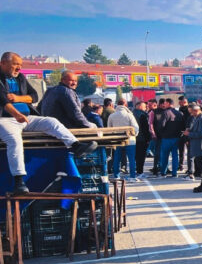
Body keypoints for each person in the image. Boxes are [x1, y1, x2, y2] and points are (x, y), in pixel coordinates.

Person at [0, 52, 97, 194]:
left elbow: (34, 96)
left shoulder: (20, 78)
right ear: (3, 63)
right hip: (5, 119)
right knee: (14, 141)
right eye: (15, 64)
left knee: (51, 122)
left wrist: (17, 98)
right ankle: (19, 181)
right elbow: (3, 101)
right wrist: (16, 114)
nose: (19, 68)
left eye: (20, 65)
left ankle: (76, 146)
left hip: (26, 118)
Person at [107, 98, 140, 182]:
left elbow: (109, 128)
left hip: (117, 140)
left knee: (117, 158)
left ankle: (116, 175)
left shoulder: (112, 115)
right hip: (130, 140)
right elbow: (135, 127)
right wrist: (134, 135)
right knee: (131, 159)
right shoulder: (129, 115)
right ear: (125, 104)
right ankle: (132, 176)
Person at [185, 104, 202, 193]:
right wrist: (190, 130)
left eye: (192, 112)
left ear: (196, 110)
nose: (191, 114)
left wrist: (189, 134)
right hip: (199, 145)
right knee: (201, 164)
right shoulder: (199, 117)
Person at [156, 98, 184, 178]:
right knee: (175, 155)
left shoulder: (165, 113)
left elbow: (161, 125)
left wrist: (161, 133)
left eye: (165, 103)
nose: (164, 104)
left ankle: (163, 172)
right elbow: (183, 126)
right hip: (176, 137)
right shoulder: (179, 113)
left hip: (166, 138)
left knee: (164, 156)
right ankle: (174, 173)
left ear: (168, 103)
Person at [132, 101, 150, 177]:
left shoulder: (131, 114)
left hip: (133, 138)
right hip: (142, 138)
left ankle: (137, 170)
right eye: (144, 107)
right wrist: (148, 138)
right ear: (139, 106)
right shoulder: (142, 115)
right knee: (141, 156)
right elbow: (145, 128)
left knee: (136, 156)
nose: (146, 108)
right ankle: (140, 172)